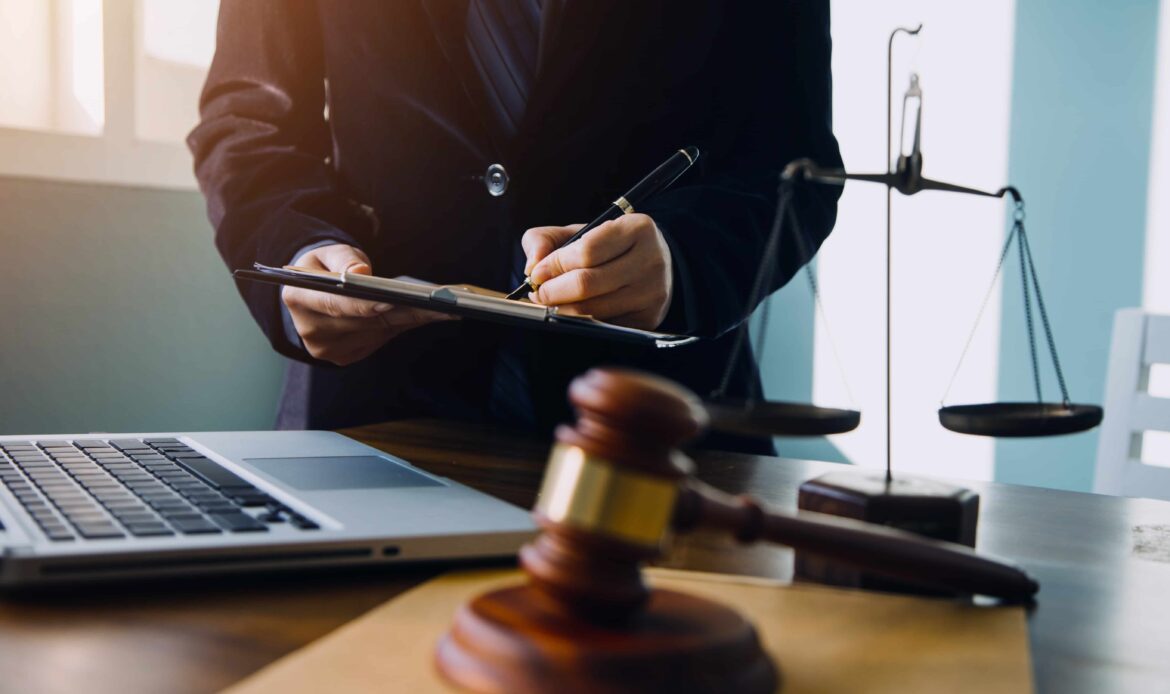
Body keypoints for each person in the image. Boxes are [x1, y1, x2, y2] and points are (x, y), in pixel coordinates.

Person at [188, 1, 842, 453]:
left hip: (657, 447)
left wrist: (683, 258)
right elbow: (247, 124)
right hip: (370, 421)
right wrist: (300, 249)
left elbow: (794, 165)